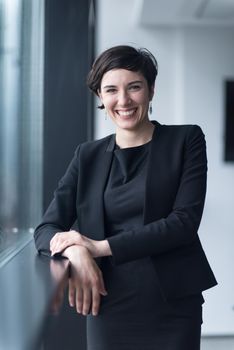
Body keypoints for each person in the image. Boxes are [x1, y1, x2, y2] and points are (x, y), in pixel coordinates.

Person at [34, 45, 217, 350]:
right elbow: (46, 230)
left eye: (134, 87)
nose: (123, 100)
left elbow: (184, 223)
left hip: (172, 305)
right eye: (111, 90)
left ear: (151, 90)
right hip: (107, 302)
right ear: (100, 98)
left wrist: (98, 247)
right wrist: (77, 253)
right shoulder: (87, 155)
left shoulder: (186, 140)